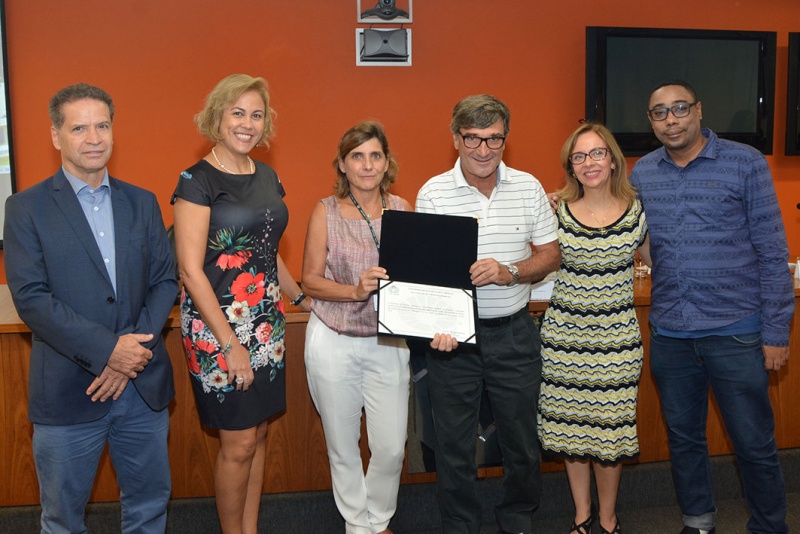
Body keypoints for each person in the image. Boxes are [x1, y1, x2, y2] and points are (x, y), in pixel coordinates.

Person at [3, 83, 177, 533]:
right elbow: (32, 299)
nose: (93, 137)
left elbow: (164, 281)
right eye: (79, 127)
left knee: (149, 508)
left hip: (142, 388)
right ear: (56, 136)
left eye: (102, 125)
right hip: (67, 393)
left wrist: (128, 355)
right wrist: (109, 352)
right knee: (62, 520)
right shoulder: (25, 208)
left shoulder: (142, 202)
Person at [629, 80, 794, 534]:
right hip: (671, 335)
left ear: (698, 110)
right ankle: (698, 523)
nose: (671, 119)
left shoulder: (745, 163)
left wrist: (777, 334)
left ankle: (769, 526)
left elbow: (771, 251)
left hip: (736, 332)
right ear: (651, 121)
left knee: (753, 444)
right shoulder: (642, 172)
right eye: (659, 112)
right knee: (684, 442)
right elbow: (638, 240)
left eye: (679, 108)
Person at [416, 94, 561, 534]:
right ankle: (460, 525)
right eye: (473, 139)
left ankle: (517, 518)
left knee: (521, 441)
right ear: (456, 139)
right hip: (453, 342)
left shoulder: (529, 186)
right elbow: (424, 276)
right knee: (453, 445)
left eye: (493, 139)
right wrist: (436, 328)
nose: (483, 150)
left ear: (505, 139)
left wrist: (511, 271)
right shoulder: (433, 192)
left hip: (514, 334)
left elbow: (550, 256)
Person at [171, 74, 309, 533]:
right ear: (217, 117)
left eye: (256, 115)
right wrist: (230, 344)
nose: (247, 124)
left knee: (260, 432)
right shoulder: (196, 180)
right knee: (239, 441)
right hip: (217, 327)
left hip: (265, 320)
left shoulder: (268, 176)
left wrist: (301, 296)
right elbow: (191, 271)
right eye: (237, 112)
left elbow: (266, 253)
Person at [537, 122, 650, 534]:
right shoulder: (554, 210)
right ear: (571, 165)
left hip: (618, 341)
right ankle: (582, 517)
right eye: (580, 156)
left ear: (613, 159)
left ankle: (608, 518)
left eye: (597, 153)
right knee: (571, 431)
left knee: (610, 435)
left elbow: (660, 260)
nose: (590, 163)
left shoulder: (639, 210)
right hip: (565, 340)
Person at [301, 120, 411, 534]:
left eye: (375, 156)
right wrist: (354, 290)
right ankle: (360, 526)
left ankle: (378, 518)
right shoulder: (325, 211)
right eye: (357, 156)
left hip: (389, 342)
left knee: (390, 448)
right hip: (333, 339)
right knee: (343, 448)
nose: (367, 165)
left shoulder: (402, 209)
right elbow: (309, 279)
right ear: (343, 165)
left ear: (387, 163)